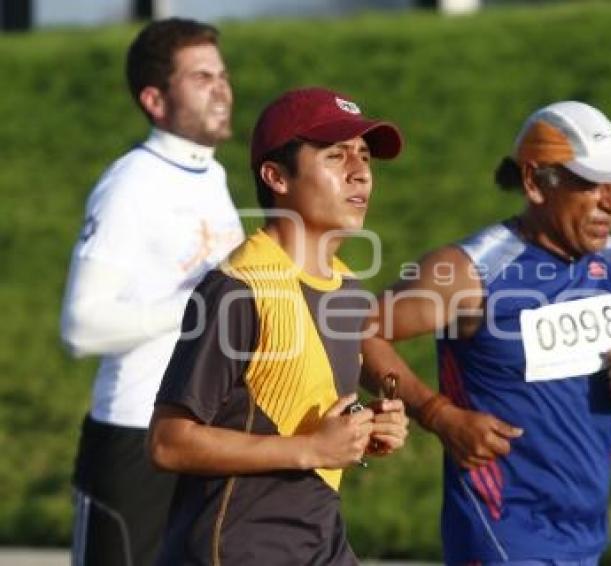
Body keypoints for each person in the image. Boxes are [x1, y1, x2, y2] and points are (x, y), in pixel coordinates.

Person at [361, 100, 611, 565]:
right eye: (589, 183)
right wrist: (440, 416)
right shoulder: (470, 271)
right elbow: (358, 334)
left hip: (587, 535)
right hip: (502, 532)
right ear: (534, 181)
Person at [147, 87, 410, 565]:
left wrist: (365, 429)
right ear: (276, 176)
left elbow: (297, 418)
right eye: (336, 155)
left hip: (319, 542)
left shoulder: (348, 289)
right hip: (236, 548)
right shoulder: (237, 289)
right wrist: (311, 448)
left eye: (366, 157)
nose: (361, 173)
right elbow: (169, 442)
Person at [59, 18, 243, 566]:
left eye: (223, 74)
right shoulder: (131, 184)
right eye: (201, 76)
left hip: (202, 436)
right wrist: (197, 305)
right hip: (133, 439)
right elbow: (80, 328)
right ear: (155, 99)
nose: (222, 88)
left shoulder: (213, 179)